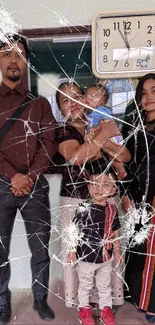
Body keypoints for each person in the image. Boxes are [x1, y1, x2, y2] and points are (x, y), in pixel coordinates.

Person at [54, 81, 130, 307]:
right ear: (60, 109)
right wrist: (104, 135)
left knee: (109, 247)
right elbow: (77, 158)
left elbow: (124, 156)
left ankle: (106, 302)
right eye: (65, 100)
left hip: (107, 198)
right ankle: (83, 304)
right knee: (75, 251)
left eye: (77, 95)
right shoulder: (62, 131)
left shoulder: (100, 122)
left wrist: (101, 139)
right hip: (75, 200)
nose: (73, 102)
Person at [0, 34, 57, 324]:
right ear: (0, 61)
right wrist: (13, 176)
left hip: (35, 187)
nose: (13, 59)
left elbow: (49, 143)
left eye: (19, 54)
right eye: (7, 53)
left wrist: (30, 177)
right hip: (1, 186)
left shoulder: (41, 104)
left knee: (40, 249)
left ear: (25, 62)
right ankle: (2, 303)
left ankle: (39, 300)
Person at [67, 171, 123, 325]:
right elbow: (74, 230)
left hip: (105, 257)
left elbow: (115, 231)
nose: (99, 188)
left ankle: (106, 310)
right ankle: (84, 310)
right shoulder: (83, 208)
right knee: (85, 286)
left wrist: (117, 251)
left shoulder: (112, 209)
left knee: (104, 286)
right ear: (89, 187)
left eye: (105, 185)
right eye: (95, 184)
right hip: (85, 257)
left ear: (113, 190)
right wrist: (72, 250)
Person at [122, 73, 155, 323]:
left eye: (154, 91)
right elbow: (124, 163)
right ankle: (138, 297)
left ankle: (152, 304)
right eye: (143, 93)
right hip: (136, 197)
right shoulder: (133, 125)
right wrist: (124, 194)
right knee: (137, 250)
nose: (149, 98)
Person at [84, 85, 127, 180]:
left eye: (92, 96)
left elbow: (107, 122)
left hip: (111, 137)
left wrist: (96, 128)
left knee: (113, 156)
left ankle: (121, 170)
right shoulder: (90, 114)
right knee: (110, 156)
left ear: (102, 102)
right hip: (104, 138)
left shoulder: (101, 110)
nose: (86, 98)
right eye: (85, 95)